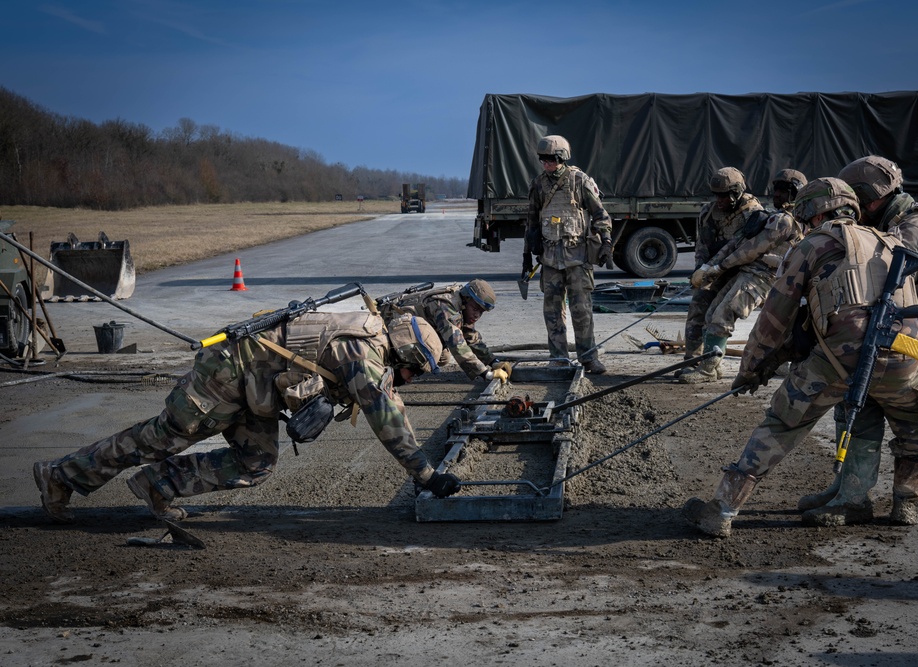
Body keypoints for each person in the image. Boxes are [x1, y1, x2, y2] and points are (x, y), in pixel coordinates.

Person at [682, 177, 918, 538]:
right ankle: (907, 501)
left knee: (781, 424)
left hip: (839, 362)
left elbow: (774, 318)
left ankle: (722, 510)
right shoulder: (891, 242)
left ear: (812, 213)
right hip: (906, 359)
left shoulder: (811, 245)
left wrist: (751, 368)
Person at [32, 310, 462, 524]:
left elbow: (390, 403)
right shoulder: (361, 354)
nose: (411, 377)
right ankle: (61, 476)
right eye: (415, 368)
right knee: (157, 440)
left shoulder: (370, 340)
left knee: (255, 463)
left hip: (253, 390)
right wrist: (425, 475)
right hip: (224, 377)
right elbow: (386, 419)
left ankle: (159, 484)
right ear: (405, 351)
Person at [798, 156, 918, 526]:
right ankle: (851, 488)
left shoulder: (914, 227)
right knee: (866, 382)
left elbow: (880, 283)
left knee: (886, 387)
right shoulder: (897, 220)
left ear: (869, 199)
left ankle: (891, 498)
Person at [522, 135, 613, 375]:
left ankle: (588, 358)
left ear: (561, 157)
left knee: (582, 311)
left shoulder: (579, 181)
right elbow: (531, 221)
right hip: (550, 258)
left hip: (578, 257)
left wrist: (606, 242)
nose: (546, 164)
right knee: (552, 312)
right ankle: (558, 358)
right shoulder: (539, 185)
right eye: (543, 160)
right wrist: (526, 255)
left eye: (551, 159)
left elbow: (600, 214)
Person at [679, 167, 773, 383]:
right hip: (714, 270)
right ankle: (692, 361)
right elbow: (702, 244)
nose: (719, 200)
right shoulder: (708, 212)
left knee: (719, 315)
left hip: (740, 270)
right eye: (716, 195)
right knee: (698, 308)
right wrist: (699, 270)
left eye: (725, 195)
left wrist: (714, 268)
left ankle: (710, 366)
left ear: (738, 191)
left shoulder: (753, 214)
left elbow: (739, 248)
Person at [379, 279, 511, 384]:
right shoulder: (446, 307)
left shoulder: (463, 307)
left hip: (412, 331)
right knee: (427, 354)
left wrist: (493, 361)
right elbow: (457, 345)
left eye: (481, 311)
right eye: (476, 308)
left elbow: (470, 337)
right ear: (466, 299)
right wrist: (485, 373)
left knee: (443, 357)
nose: (477, 315)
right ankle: (397, 374)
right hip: (392, 329)